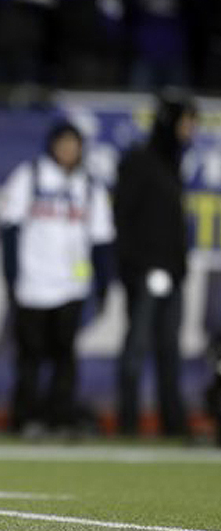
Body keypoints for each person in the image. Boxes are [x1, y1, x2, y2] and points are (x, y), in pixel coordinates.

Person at [0, 121, 115, 436]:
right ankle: (25, 418)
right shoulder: (31, 176)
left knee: (65, 356)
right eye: (63, 143)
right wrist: (10, 276)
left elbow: (101, 241)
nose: (68, 150)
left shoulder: (90, 186)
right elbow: (9, 229)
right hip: (32, 284)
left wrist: (103, 285)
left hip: (71, 286)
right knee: (30, 357)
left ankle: (60, 417)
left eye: (73, 144)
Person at [114, 94, 197, 437]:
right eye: (185, 122)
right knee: (136, 351)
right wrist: (133, 269)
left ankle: (172, 424)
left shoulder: (172, 163)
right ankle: (129, 424)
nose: (190, 130)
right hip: (145, 272)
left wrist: (178, 266)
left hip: (172, 274)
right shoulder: (139, 161)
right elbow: (123, 218)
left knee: (169, 351)